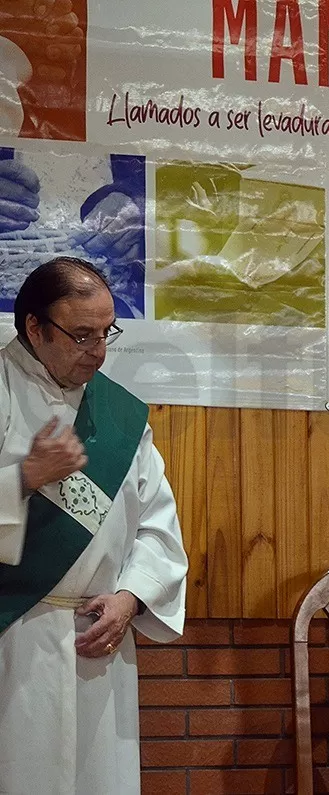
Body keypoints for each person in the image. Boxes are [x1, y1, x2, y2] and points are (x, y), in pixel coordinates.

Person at [0, 256, 188, 793]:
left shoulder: (121, 415)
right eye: (82, 336)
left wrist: (130, 596)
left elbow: (157, 524)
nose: (99, 352)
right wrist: (25, 476)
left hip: (96, 640)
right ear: (34, 326)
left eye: (107, 333)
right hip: (15, 635)